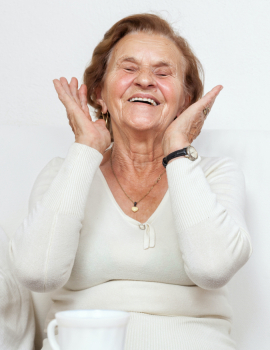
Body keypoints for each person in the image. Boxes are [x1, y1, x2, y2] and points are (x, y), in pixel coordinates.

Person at [9, 13, 252, 350]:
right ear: (99, 93)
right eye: (128, 68)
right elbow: (39, 274)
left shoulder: (216, 175)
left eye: (163, 72)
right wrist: (85, 150)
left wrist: (178, 151)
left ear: (185, 99)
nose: (145, 80)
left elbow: (212, 268)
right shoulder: (62, 173)